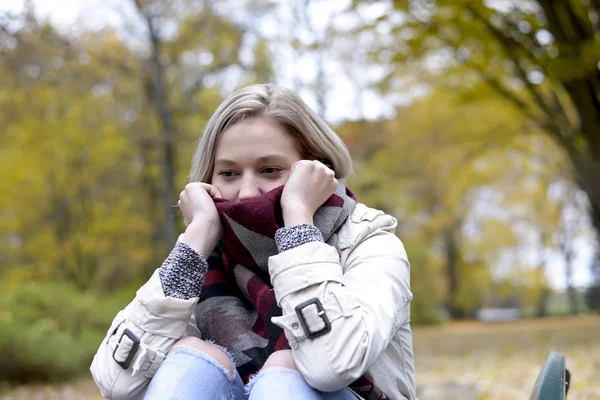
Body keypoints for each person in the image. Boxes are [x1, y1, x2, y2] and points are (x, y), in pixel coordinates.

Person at [90, 83, 416, 400]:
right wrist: (193, 244)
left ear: (317, 169)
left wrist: (298, 221)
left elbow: (330, 367)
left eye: (270, 170)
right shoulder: (207, 253)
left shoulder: (369, 243)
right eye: (229, 174)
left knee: (287, 367)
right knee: (190, 360)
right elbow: (118, 383)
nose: (246, 193)